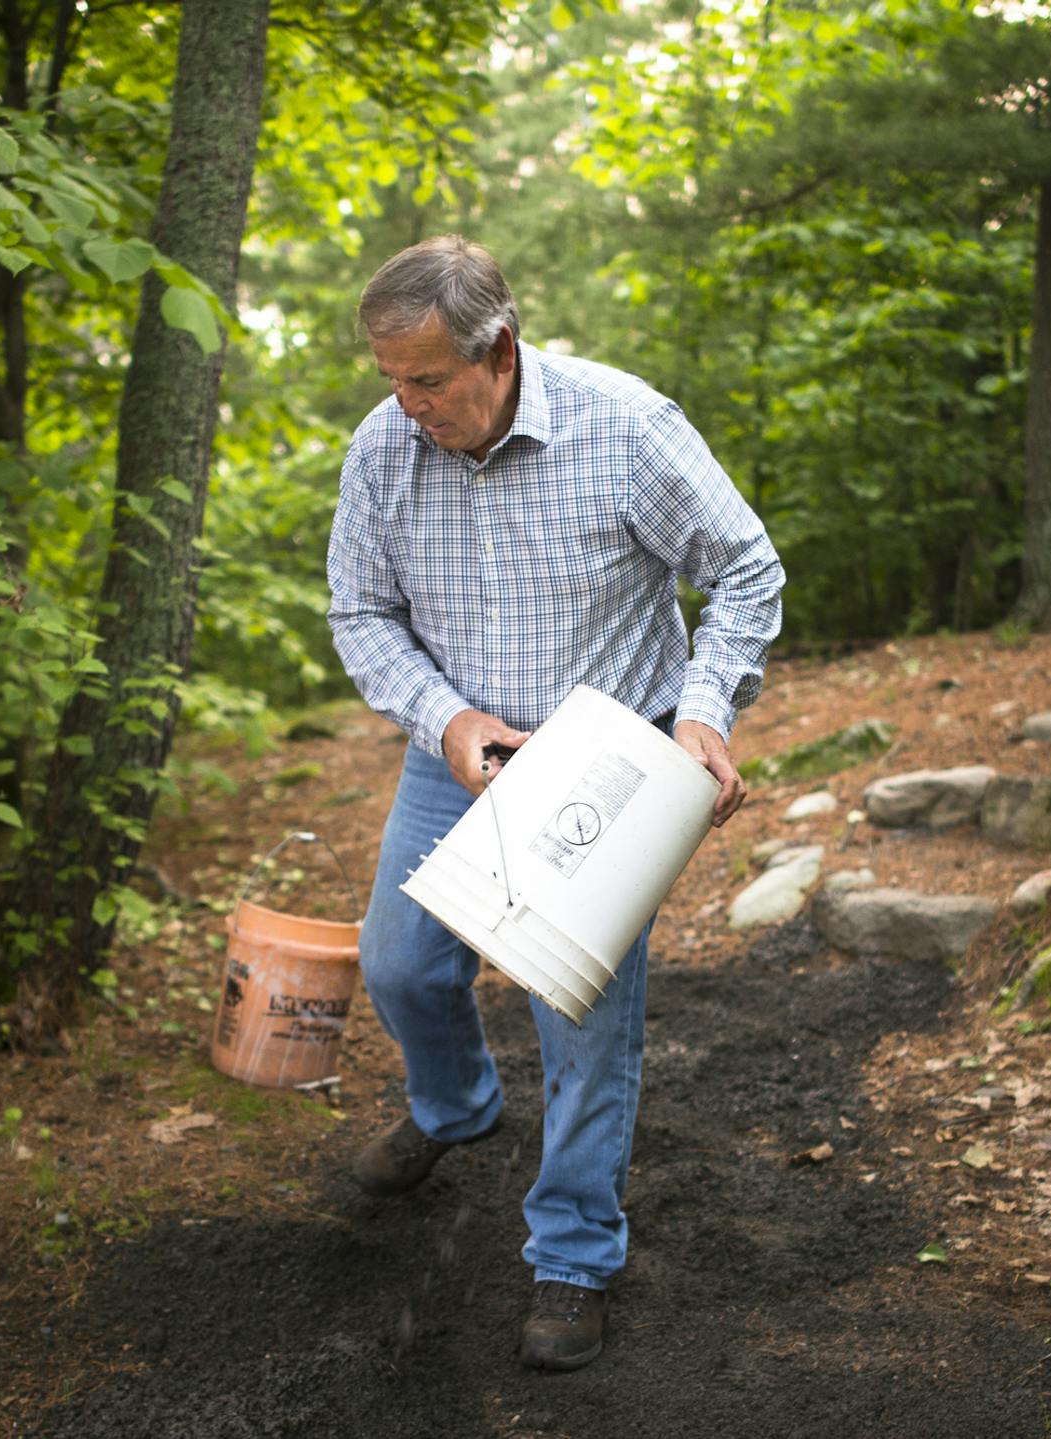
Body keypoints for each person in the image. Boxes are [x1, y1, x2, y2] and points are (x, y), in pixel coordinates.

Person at [325, 235, 784, 1371]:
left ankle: (573, 1253)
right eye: (391, 379)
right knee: (400, 965)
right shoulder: (383, 450)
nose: (408, 404)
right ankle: (453, 1107)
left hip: (607, 768)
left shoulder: (625, 427)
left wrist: (704, 710)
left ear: (501, 349)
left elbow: (747, 567)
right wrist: (447, 718)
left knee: (579, 1015)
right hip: (461, 753)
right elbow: (361, 614)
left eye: (428, 379)